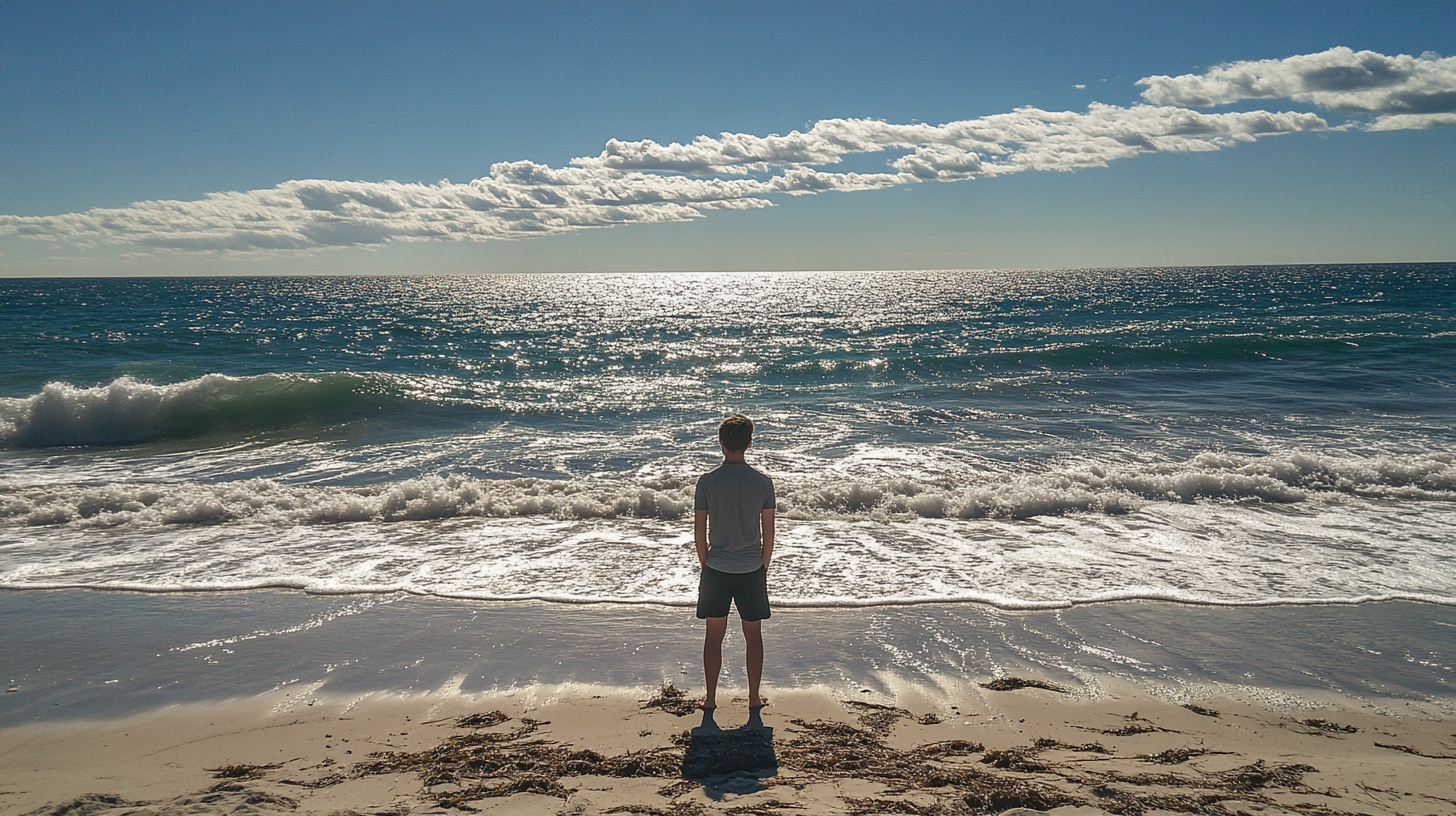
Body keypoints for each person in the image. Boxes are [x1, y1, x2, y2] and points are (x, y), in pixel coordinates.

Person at [694, 413, 775, 710]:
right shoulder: (763, 483)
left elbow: (699, 532)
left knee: (713, 637)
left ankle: (711, 699)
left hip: (716, 567)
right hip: (751, 567)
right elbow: (769, 532)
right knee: (753, 636)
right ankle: (753, 698)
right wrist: (763, 565)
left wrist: (706, 564)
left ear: (721, 443)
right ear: (749, 443)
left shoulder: (707, 482)